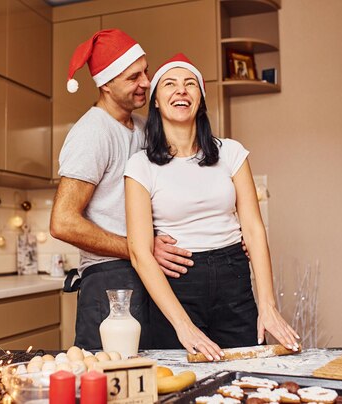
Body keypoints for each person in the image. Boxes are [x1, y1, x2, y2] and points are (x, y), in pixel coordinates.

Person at [124, 53, 300, 361]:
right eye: (170, 84)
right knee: (181, 380)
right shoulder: (140, 166)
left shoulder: (232, 153)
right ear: (155, 101)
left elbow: (254, 230)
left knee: (246, 377)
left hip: (234, 278)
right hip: (177, 283)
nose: (181, 90)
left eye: (190, 83)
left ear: (200, 99)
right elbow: (139, 253)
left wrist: (268, 306)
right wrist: (183, 325)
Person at [49, 30, 194, 351]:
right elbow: (62, 222)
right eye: (133, 77)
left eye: (145, 70)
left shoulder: (143, 126)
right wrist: (139, 248)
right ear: (105, 85)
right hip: (110, 278)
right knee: (111, 383)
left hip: (147, 269)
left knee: (155, 376)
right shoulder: (92, 133)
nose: (146, 81)